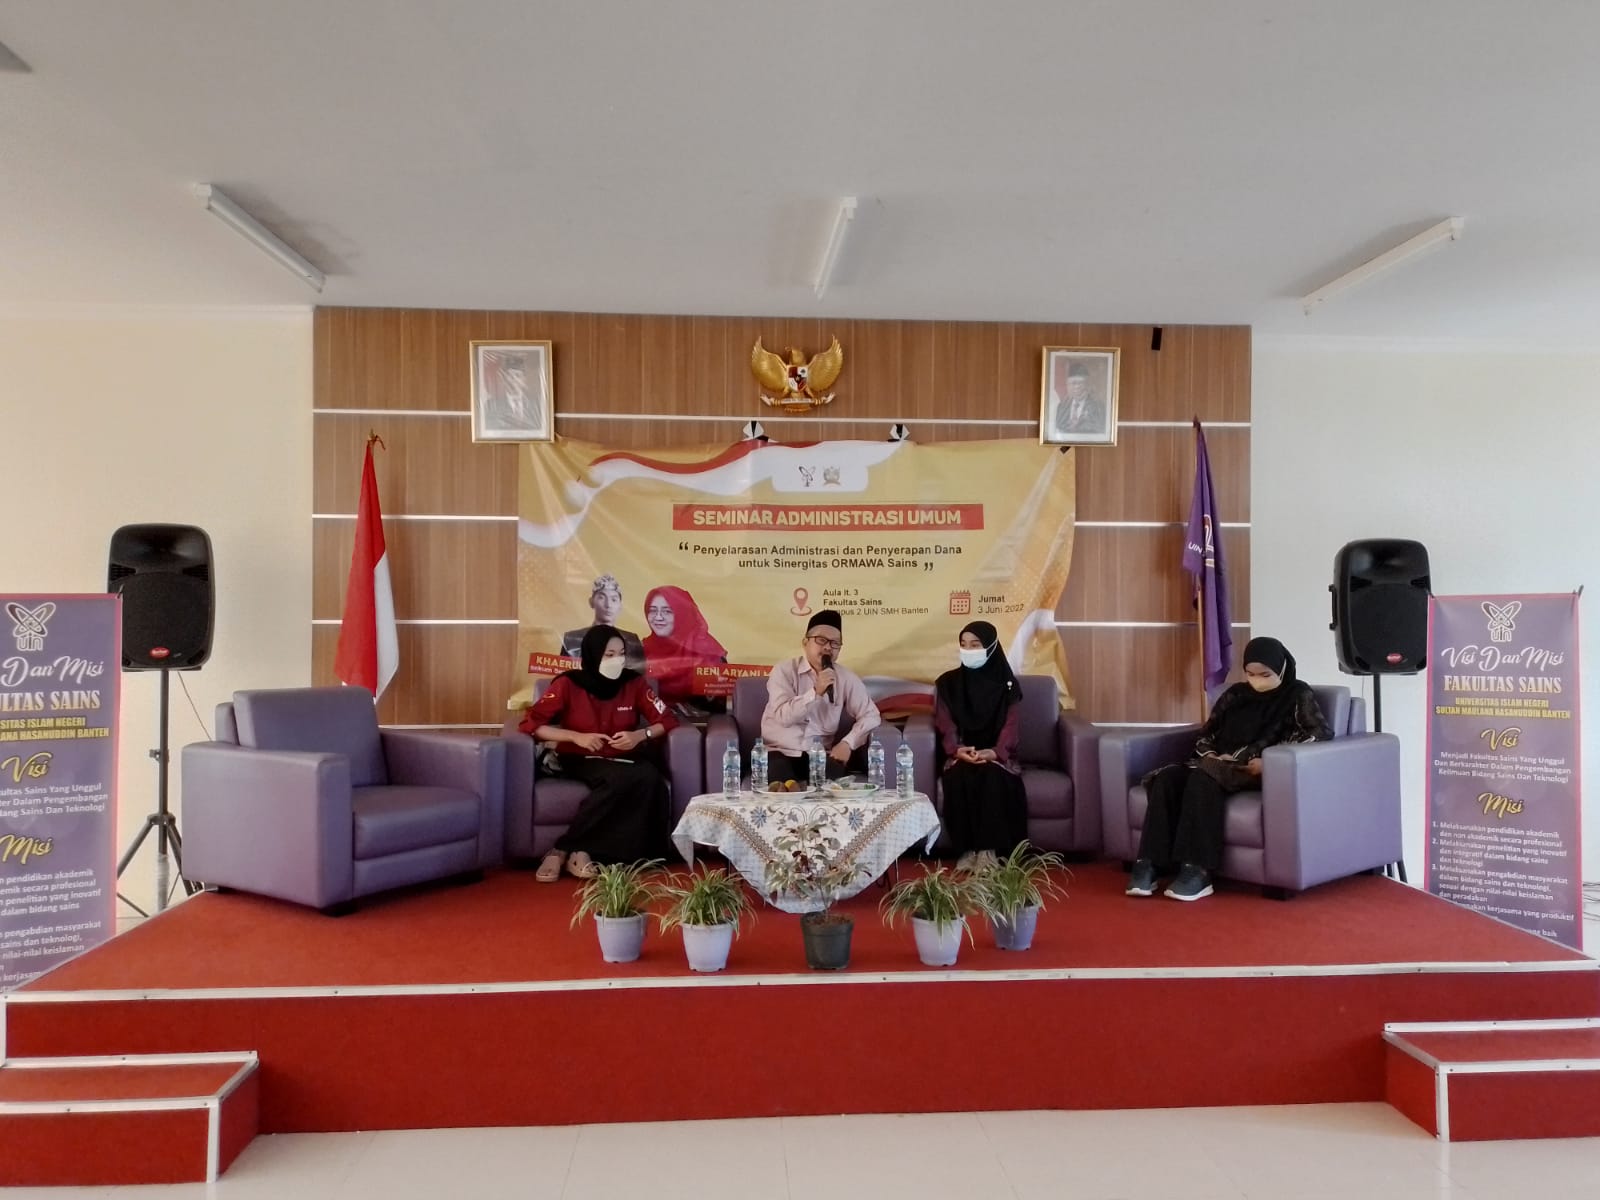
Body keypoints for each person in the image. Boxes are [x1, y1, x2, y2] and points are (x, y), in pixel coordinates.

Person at [1127, 637, 1332, 901]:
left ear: (1281, 669)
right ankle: (1149, 863)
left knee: (1203, 777)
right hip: (1215, 764)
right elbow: (1206, 733)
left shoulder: (1297, 695)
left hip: (1253, 768)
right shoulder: (1235, 695)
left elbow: (1318, 733)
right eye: (1251, 674)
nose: (1257, 680)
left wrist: (1270, 760)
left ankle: (1197, 871)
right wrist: (1212, 755)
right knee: (1167, 778)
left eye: (1265, 674)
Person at [518, 625, 676, 882]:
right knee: (622, 779)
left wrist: (640, 735)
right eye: (609, 654)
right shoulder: (568, 683)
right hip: (580, 756)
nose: (617, 660)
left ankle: (580, 850)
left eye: (621, 654)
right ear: (593, 655)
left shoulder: (633, 683)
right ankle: (564, 849)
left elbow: (666, 720)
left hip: (624, 756)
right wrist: (575, 736)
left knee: (650, 778)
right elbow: (531, 725)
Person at [933, 621, 1028, 870]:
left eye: (975, 645)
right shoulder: (947, 683)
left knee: (991, 777)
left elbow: (1011, 725)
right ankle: (967, 851)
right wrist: (956, 749)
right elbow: (945, 723)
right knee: (959, 777)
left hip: (997, 755)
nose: (968, 650)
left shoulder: (1008, 685)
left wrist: (995, 752)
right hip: (962, 752)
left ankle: (988, 851)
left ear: (991, 647)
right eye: (963, 645)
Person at [761, 609, 882, 785]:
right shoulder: (784, 671)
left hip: (818, 755)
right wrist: (815, 693)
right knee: (782, 783)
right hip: (779, 751)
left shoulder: (845, 678)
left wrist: (848, 743)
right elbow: (783, 717)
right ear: (805, 643)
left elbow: (871, 715)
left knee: (832, 786)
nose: (828, 647)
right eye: (821, 640)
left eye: (835, 643)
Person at [640, 585, 728, 712]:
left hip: (699, 722)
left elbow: (715, 710)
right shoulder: (642, 649)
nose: (658, 617)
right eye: (652, 611)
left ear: (682, 613)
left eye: (667, 611)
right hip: (652, 720)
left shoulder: (708, 653)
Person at [560, 574, 646, 673]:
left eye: (614, 599)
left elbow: (639, 677)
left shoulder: (632, 641)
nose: (608, 605)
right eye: (601, 598)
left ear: (620, 606)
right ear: (591, 602)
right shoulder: (572, 639)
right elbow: (564, 676)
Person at [1052, 360, 1107, 438]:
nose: (1077, 387)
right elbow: (1057, 430)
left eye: (1081, 383)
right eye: (1073, 383)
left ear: (1088, 384)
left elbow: (1100, 433)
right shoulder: (1061, 407)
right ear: (1067, 385)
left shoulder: (1098, 407)